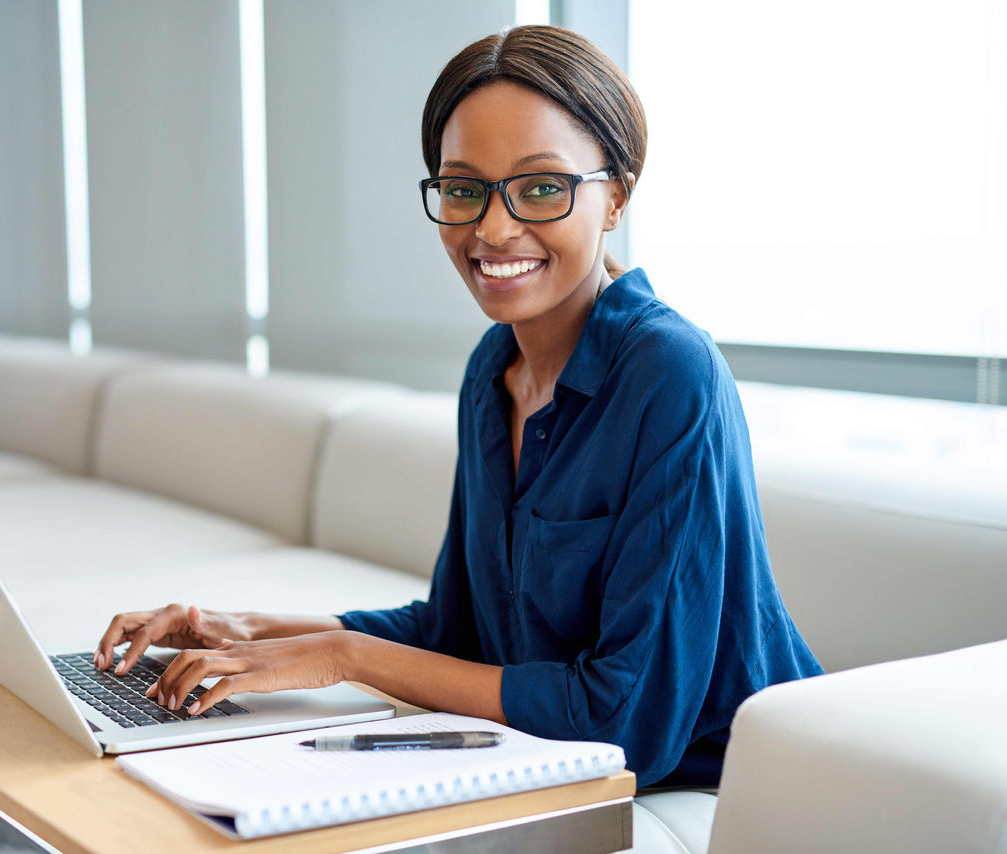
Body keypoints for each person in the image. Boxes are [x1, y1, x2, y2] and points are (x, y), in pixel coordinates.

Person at [94, 25, 822, 788]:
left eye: (542, 186)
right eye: (465, 188)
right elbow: (458, 631)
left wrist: (343, 657)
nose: (493, 228)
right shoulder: (493, 369)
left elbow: (626, 719)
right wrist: (243, 629)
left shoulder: (670, 373)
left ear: (616, 197)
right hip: (551, 760)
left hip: (732, 783)